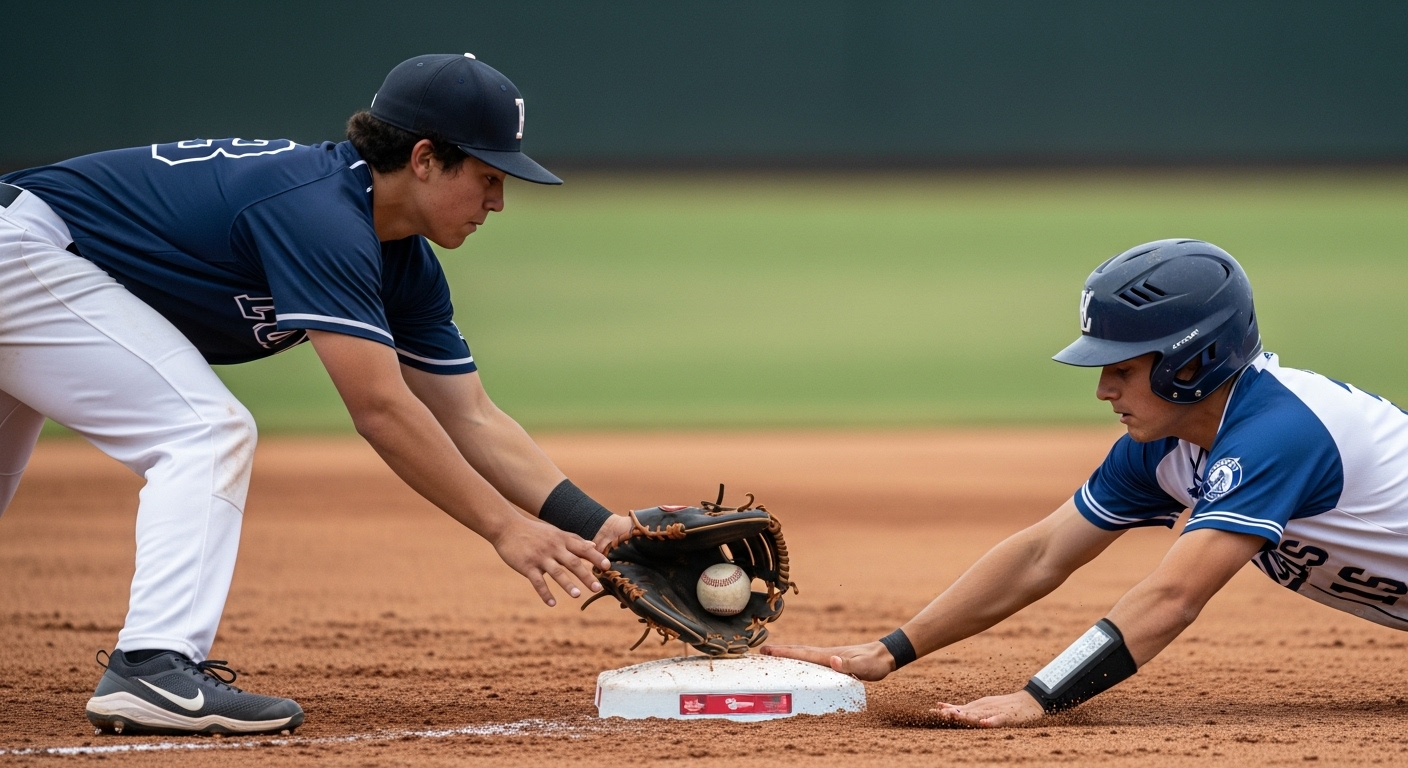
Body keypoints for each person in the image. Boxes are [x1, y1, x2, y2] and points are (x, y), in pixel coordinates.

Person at [0, 53, 635, 736]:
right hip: (25, 250)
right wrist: (506, 527)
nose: (498, 200)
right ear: (424, 159)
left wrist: (600, 530)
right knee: (206, 432)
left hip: (34, 262)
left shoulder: (402, 264)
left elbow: (469, 414)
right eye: (486, 176)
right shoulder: (320, 214)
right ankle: (154, 667)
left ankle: (154, 668)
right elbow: (381, 410)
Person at [764, 239, 1408, 727]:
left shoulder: (1278, 434)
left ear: (1192, 362)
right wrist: (889, 652)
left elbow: (1171, 597)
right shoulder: (1166, 446)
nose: (1103, 390)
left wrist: (1038, 697)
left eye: (1121, 369)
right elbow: (1043, 553)